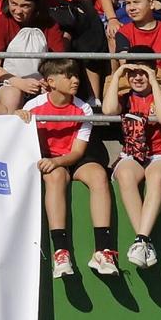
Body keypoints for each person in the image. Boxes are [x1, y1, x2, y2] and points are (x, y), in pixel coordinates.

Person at [27, 57, 116, 277]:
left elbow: (77, 152)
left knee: (98, 175)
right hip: (48, 161)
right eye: (69, 76)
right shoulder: (33, 106)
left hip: (71, 159)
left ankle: (103, 252)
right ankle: (61, 253)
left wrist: (58, 161)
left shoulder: (83, 108)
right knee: (56, 177)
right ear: (51, 82)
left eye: (76, 75)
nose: (75, 80)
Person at [102, 61, 161, 269]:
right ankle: (143, 242)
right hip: (132, 155)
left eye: (142, 73)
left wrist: (154, 82)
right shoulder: (124, 98)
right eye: (132, 73)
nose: (137, 78)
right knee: (124, 174)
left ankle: (141, 238)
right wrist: (117, 76)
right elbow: (108, 110)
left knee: (155, 175)